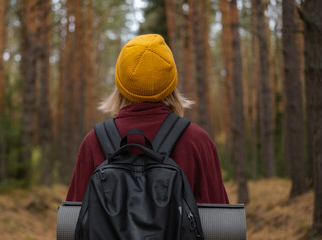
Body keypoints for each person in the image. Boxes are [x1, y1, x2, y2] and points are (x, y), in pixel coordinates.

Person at [66, 34, 229, 204]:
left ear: (121, 84)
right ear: (171, 83)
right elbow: (220, 222)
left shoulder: (94, 142)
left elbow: (72, 223)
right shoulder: (197, 140)